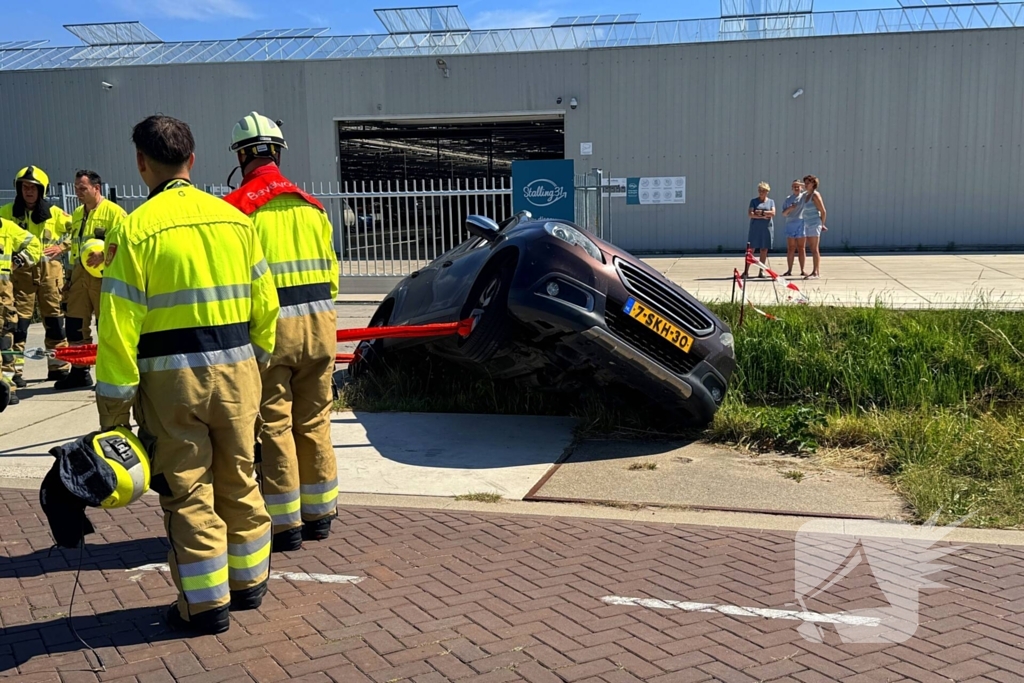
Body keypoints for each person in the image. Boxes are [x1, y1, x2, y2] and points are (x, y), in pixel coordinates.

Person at [95, 115, 279, 635]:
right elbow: (266, 308)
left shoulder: (134, 230)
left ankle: (204, 606)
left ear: (142, 162)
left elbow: (117, 330)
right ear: (192, 161)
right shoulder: (237, 221)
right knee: (240, 478)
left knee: (189, 491)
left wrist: (114, 411)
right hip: (239, 372)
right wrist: (255, 365)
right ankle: (250, 585)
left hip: (172, 383)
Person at [223, 112, 339, 552]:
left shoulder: (237, 210)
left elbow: (239, 283)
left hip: (272, 334)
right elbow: (332, 274)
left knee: (274, 424)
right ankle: (321, 513)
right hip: (321, 327)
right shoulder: (313, 206)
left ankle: (286, 523)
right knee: (314, 420)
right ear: (277, 152)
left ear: (241, 155)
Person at [0, 167, 72, 385]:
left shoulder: (56, 214)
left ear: (42, 190)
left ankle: (59, 367)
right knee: (17, 326)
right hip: (21, 275)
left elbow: (76, 232)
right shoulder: (6, 213)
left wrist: (62, 247)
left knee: (55, 323)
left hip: (51, 275)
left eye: (33, 187)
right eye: (24, 187)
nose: (28, 191)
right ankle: (14, 372)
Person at [57, 170, 128, 391]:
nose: (78, 192)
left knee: (105, 326)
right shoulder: (77, 213)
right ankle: (80, 372)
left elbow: (125, 243)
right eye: (76, 187)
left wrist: (105, 253)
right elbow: (75, 243)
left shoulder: (115, 213)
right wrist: (69, 277)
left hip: (103, 276)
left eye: (82, 188)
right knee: (75, 325)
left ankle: (108, 374)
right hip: (79, 275)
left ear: (96, 188)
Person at [1, 217, 42, 410]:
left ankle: (8, 386)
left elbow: (35, 245)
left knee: (5, 339)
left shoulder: (6, 227)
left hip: (2, 295)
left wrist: (18, 261)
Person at [743, 181, 775, 278]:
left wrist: (759, 213)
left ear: (767, 192)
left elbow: (773, 213)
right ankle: (746, 271)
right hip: (755, 228)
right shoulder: (753, 201)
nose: (761, 192)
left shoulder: (771, 201)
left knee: (764, 249)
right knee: (751, 249)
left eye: (763, 191)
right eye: (760, 190)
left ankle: (761, 271)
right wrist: (763, 215)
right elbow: (750, 214)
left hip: (766, 228)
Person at [800, 174, 828, 279]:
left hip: (815, 223)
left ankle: (816, 271)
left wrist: (822, 224)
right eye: (805, 183)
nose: (806, 185)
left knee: (814, 248)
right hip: (807, 224)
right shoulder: (805, 195)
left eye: (808, 183)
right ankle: (814, 271)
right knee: (810, 247)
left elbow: (823, 211)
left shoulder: (815, 195)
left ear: (813, 184)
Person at [781, 179, 806, 277]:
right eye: (794, 186)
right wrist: (790, 208)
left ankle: (802, 270)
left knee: (801, 248)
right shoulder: (788, 199)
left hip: (801, 224)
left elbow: (811, 189)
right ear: (791, 188)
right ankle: (789, 269)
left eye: (798, 186)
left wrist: (801, 184)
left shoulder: (804, 197)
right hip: (790, 224)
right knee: (791, 248)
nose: (796, 188)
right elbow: (783, 213)